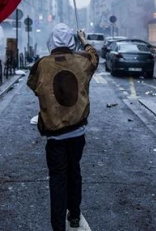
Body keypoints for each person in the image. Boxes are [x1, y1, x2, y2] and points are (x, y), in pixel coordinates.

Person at [27, 24, 99, 231]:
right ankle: (74, 215)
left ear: (51, 41)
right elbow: (94, 56)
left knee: (57, 180)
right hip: (78, 133)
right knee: (74, 172)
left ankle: (58, 227)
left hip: (55, 136)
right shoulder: (83, 61)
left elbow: (34, 86)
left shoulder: (42, 64)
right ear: (71, 41)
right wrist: (83, 39)